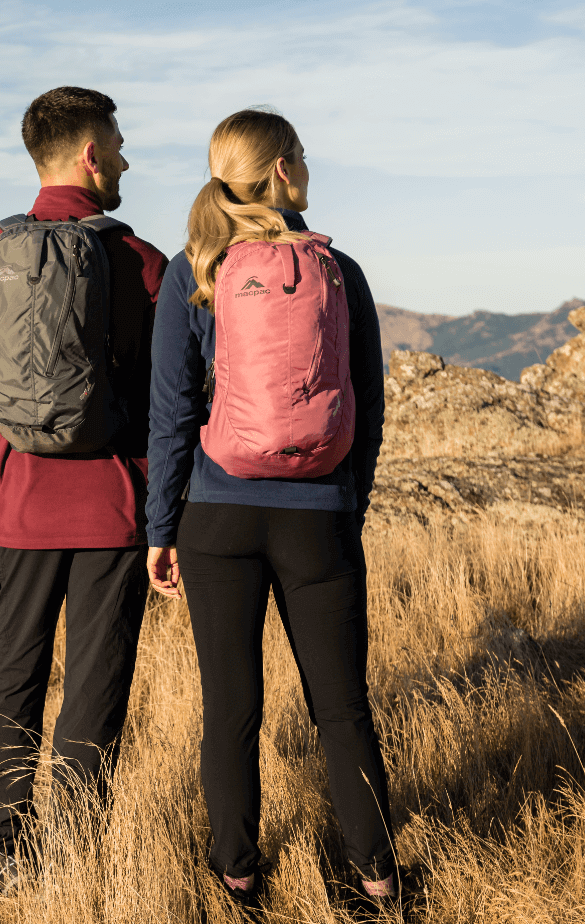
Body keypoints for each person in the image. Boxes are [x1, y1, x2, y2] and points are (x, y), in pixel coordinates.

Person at [144, 109, 396, 910]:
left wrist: (161, 527)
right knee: (342, 708)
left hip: (216, 514)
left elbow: (172, 412)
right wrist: (344, 502)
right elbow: (369, 403)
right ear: (284, 171)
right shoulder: (338, 271)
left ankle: (238, 873)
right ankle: (377, 876)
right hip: (317, 513)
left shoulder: (199, 271)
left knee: (230, 709)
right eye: (304, 157)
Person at [0, 86, 167, 890]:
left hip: (14, 507)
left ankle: (4, 852)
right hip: (112, 508)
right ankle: (72, 851)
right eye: (118, 143)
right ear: (88, 155)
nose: (126, 158)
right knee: (95, 683)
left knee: (14, 677)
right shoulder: (138, 262)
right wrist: (162, 510)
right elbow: (170, 401)